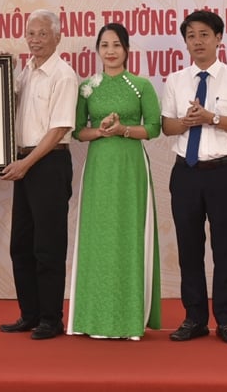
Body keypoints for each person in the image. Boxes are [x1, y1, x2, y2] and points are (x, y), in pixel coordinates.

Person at [161, 10, 227, 344]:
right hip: (185, 174)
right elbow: (166, 127)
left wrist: (211, 118)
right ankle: (194, 318)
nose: (197, 41)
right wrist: (188, 121)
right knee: (189, 249)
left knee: (225, 249)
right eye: (191, 35)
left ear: (219, 38)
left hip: (223, 174)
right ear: (185, 41)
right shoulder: (175, 80)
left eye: (204, 34)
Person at [67, 23, 161, 340]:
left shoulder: (141, 86)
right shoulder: (87, 88)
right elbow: (78, 130)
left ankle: (129, 317)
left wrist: (124, 131)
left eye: (116, 45)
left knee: (128, 235)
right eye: (104, 45)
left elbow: (154, 128)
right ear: (97, 50)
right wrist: (102, 132)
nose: (110, 51)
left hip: (131, 166)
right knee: (98, 236)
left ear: (127, 49)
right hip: (99, 167)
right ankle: (92, 317)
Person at [0, 9, 79, 340]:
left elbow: (59, 128)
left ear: (58, 37)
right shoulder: (25, 71)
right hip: (25, 164)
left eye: (42, 34)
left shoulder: (64, 75)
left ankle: (51, 318)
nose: (34, 40)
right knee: (21, 244)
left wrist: (26, 163)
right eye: (30, 33)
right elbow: (4, 102)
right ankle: (29, 314)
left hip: (47, 164)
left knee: (48, 246)